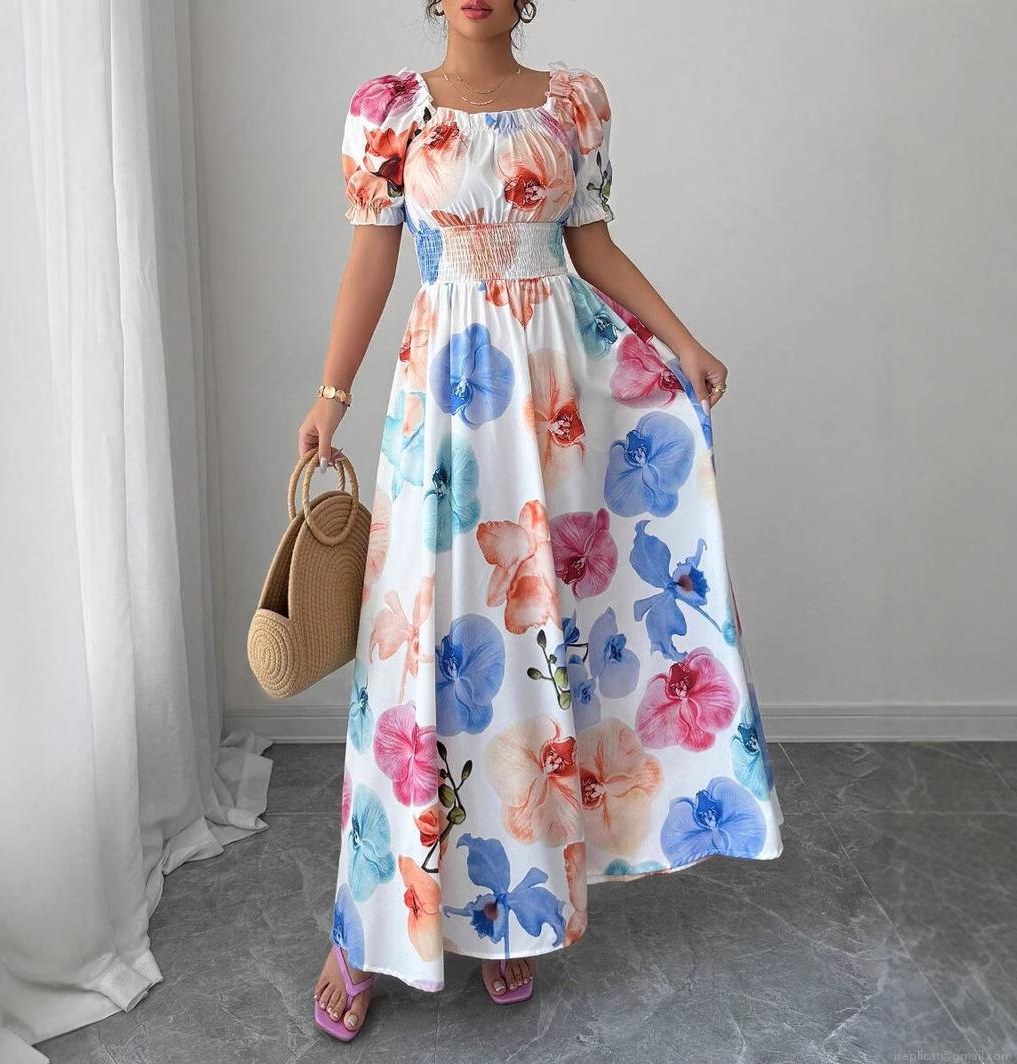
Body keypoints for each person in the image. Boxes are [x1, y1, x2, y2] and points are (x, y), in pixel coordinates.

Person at [303, 0, 784, 1041]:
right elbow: (370, 260)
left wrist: (681, 341)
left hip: (555, 401)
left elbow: (591, 244)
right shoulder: (388, 111)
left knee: (532, 649)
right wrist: (330, 396)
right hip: (443, 403)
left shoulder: (573, 104)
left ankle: (505, 907)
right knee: (419, 653)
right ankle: (367, 929)